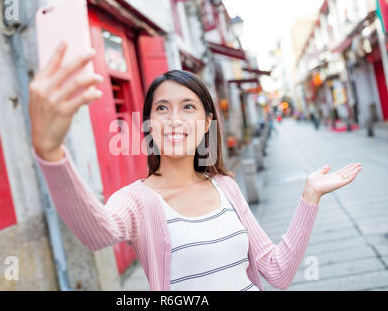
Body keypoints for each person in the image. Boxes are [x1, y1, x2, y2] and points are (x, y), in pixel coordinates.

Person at [28, 41, 363, 291]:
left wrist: (310, 196)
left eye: (188, 107)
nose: (174, 119)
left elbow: (277, 271)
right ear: (148, 124)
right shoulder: (136, 200)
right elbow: (95, 233)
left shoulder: (226, 187)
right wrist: (51, 151)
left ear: (206, 124)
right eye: (162, 109)